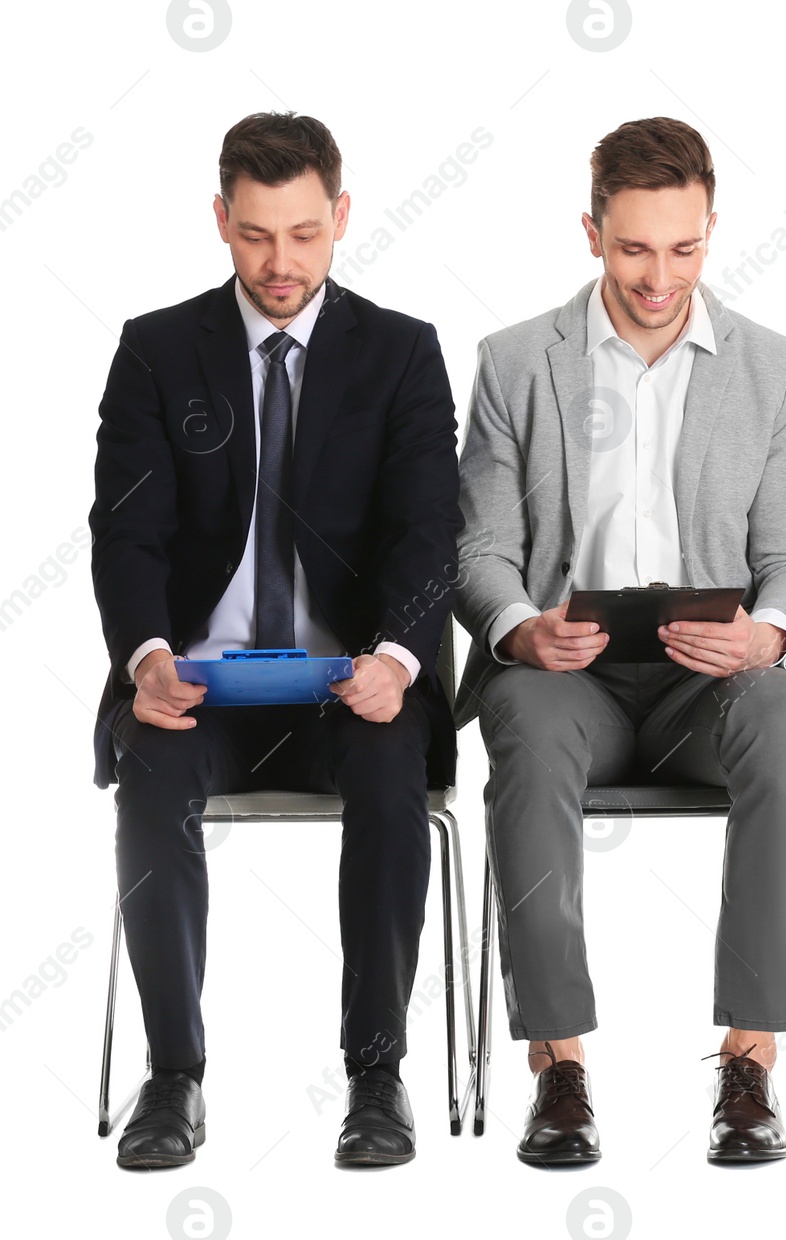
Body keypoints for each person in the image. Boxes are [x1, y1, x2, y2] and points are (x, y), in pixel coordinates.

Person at [453, 117, 786, 1167]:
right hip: (566, 677)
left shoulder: (771, 368)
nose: (659, 276)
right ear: (590, 232)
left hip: (710, 682)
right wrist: (520, 628)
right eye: (633, 249)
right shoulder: (515, 362)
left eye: (683, 248)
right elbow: (480, 545)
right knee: (519, 726)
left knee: (779, 718)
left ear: (711, 231)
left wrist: (768, 633)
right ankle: (558, 1067)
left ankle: (749, 1061)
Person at [88, 112, 462, 1168]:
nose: (281, 261)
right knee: (149, 775)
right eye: (256, 234)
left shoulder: (400, 353)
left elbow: (427, 529)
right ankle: (172, 1077)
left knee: (394, 775)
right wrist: (147, 658)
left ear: (340, 217)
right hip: (196, 687)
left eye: (303, 233)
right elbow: (128, 531)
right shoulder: (157, 351)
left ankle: (377, 1078)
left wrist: (397, 659)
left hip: (349, 685)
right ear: (220, 220)